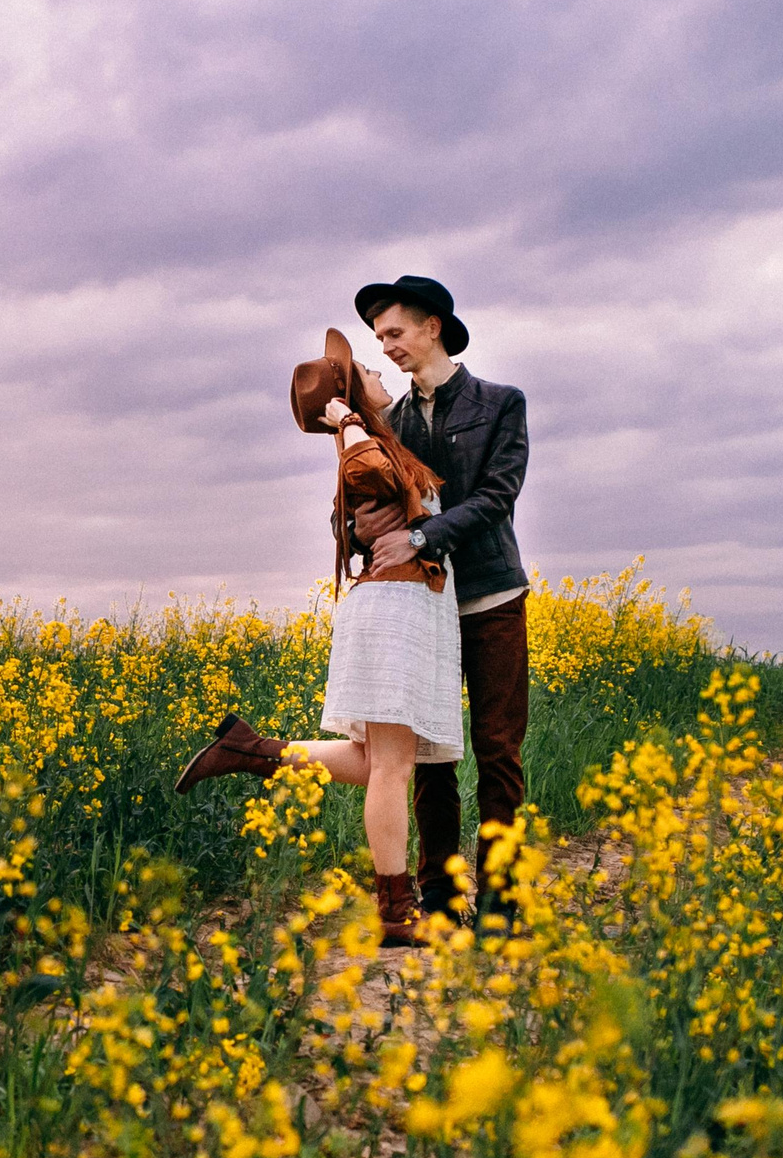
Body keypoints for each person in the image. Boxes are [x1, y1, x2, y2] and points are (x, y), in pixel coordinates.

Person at [174, 329, 462, 947]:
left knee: (373, 760)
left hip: (409, 606)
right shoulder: (360, 444)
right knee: (392, 765)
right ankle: (395, 911)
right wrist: (345, 423)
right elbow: (368, 475)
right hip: (395, 609)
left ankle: (253, 751)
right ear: (353, 394)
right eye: (366, 369)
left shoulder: (386, 440)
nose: (380, 370)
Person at [350, 276, 530, 922]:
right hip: (422, 608)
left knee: (498, 750)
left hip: (490, 596)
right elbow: (374, 503)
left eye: (394, 332)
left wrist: (420, 533)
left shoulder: (501, 402)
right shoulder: (390, 421)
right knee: (429, 756)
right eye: (379, 339)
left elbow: (495, 496)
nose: (388, 346)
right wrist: (360, 528)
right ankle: (440, 897)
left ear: (433, 326)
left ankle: (502, 903)